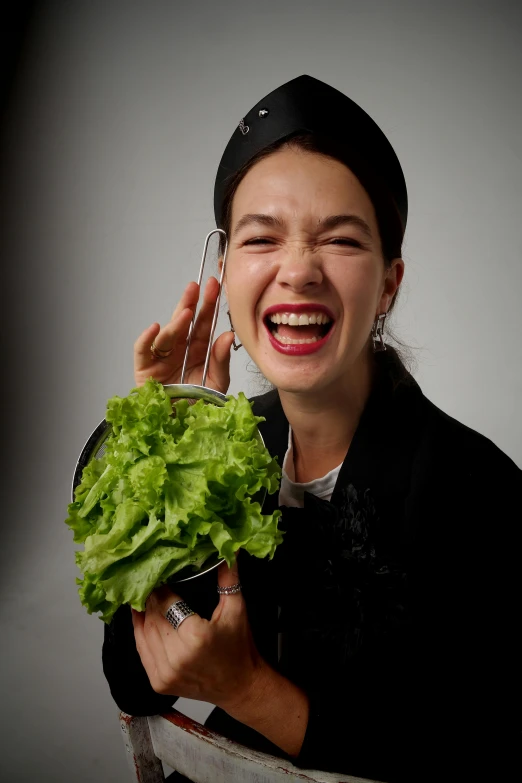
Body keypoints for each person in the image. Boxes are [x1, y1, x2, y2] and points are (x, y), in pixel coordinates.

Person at [102, 75, 521, 782]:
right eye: (262, 237)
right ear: (225, 269)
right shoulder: (227, 444)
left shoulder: (481, 492)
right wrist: (168, 453)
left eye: (341, 240)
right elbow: (135, 683)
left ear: (388, 284)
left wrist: (248, 693)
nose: (298, 270)